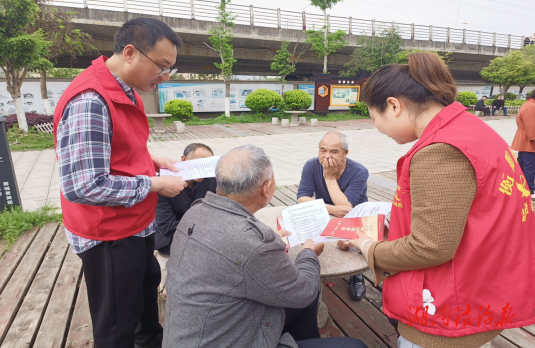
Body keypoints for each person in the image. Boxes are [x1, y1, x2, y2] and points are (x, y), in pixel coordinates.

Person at [337, 52, 535, 348]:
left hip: (446, 315)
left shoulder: (440, 150)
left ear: (393, 106)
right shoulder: (471, 130)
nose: (377, 126)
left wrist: (367, 246)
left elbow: (431, 247)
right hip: (477, 294)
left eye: (373, 116)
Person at [53, 18, 189, 348]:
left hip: (136, 225)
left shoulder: (126, 89)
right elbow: (84, 186)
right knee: (116, 324)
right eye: (162, 67)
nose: (164, 77)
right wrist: (155, 185)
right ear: (130, 53)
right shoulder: (91, 101)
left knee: (144, 302)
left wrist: (150, 159)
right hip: (109, 234)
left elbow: (117, 146)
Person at [163, 145, 367, 348]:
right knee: (355, 345)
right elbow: (304, 290)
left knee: (305, 303)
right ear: (267, 188)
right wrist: (308, 253)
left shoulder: (194, 212)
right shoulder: (255, 242)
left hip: (194, 332)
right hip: (231, 339)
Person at [297, 131, 369, 301]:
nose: (327, 156)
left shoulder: (359, 171)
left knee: (353, 244)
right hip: (326, 212)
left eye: (334, 151)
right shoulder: (311, 165)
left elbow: (345, 207)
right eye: (323, 150)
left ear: (345, 153)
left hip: (354, 216)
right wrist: (332, 210)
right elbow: (302, 198)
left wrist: (329, 178)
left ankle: (357, 275)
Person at [155, 143, 217, 257]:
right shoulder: (162, 183)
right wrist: (207, 229)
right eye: (198, 163)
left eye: (207, 164)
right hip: (172, 238)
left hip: (204, 236)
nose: (203, 169)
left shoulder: (212, 179)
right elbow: (166, 226)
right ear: (183, 159)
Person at [511, 90, 535, 200]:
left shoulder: (529, 104)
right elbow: (531, 127)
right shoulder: (531, 107)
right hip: (528, 141)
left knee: (523, 164)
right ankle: (529, 189)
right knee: (529, 166)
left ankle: (521, 187)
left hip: (524, 139)